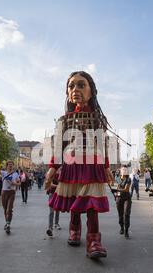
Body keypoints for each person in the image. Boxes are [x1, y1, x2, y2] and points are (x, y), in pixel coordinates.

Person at [45, 71, 114, 259]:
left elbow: (103, 145)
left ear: (92, 91)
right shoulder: (63, 120)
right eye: (71, 86)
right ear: (67, 93)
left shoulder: (98, 119)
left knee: (91, 203)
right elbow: (59, 145)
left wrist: (107, 167)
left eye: (81, 85)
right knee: (76, 200)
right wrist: (53, 168)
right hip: (71, 165)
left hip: (93, 165)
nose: (75, 89)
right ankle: (74, 229)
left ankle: (94, 241)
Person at [0, 160, 20, 234]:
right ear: (6, 166)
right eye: (9, 164)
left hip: (12, 192)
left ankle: (8, 224)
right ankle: (7, 222)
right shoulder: (3, 173)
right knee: (5, 209)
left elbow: (19, 183)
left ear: (13, 166)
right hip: (4, 192)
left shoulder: (15, 174)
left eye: (11, 164)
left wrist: (14, 183)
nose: (10, 165)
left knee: (9, 208)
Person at [115, 166, 132, 238]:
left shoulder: (128, 179)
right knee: (120, 214)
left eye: (125, 170)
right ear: (120, 171)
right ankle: (122, 227)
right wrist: (116, 192)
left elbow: (126, 189)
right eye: (122, 169)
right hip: (119, 198)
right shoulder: (118, 178)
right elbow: (118, 187)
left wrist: (117, 190)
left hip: (126, 198)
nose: (124, 170)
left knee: (126, 214)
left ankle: (126, 230)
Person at [46, 168, 61, 237]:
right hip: (52, 193)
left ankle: (56, 223)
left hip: (59, 194)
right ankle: (50, 228)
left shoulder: (62, 170)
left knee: (57, 209)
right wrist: (59, 186)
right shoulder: (51, 171)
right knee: (51, 211)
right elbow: (49, 183)